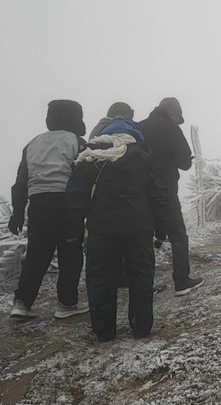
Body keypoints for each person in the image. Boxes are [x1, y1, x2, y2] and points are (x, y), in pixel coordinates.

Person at [66, 118, 166, 342]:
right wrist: (161, 229)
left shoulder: (89, 158)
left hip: (101, 229)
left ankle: (104, 330)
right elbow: (159, 196)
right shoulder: (144, 157)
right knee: (141, 275)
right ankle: (141, 327)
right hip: (138, 228)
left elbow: (75, 197)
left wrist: (74, 231)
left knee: (100, 276)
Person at [7, 100, 88, 320]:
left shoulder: (32, 144)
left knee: (36, 255)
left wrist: (17, 213)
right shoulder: (77, 142)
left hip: (38, 204)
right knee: (70, 254)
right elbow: (83, 178)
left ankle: (22, 303)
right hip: (66, 203)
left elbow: (20, 182)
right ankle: (67, 303)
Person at [140, 97, 203, 296]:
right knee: (178, 235)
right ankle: (182, 281)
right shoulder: (170, 128)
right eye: (178, 117)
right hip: (165, 189)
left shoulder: (138, 127)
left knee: (142, 237)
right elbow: (184, 162)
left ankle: (144, 284)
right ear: (173, 113)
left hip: (139, 190)